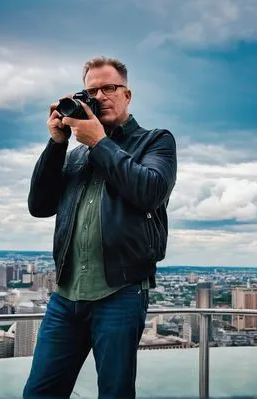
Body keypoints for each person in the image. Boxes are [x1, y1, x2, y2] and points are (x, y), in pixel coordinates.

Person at [23, 56, 177, 399]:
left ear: (128, 94)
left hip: (119, 294)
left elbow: (149, 191)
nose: (101, 96)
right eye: (91, 91)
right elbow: (39, 206)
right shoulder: (77, 155)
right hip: (65, 297)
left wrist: (98, 142)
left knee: (114, 392)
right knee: (39, 392)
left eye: (109, 88)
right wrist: (57, 142)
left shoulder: (155, 141)